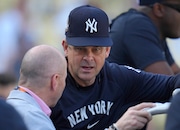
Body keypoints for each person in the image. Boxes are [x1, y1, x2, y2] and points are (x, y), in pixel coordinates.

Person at [50, 5, 180, 130]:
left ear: (107, 51)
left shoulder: (118, 77)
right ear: (66, 48)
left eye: (96, 49)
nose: (89, 58)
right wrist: (117, 128)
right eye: (80, 49)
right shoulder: (52, 87)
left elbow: (170, 84)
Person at [107, 0, 180, 75]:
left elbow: (176, 72)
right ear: (159, 9)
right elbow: (168, 82)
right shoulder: (137, 26)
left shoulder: (158, 30)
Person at [6, 45, 67, 130]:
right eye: (64, 79)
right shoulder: (37, 121)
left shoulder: (7, 109)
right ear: (55, 81)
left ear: (21, 73)